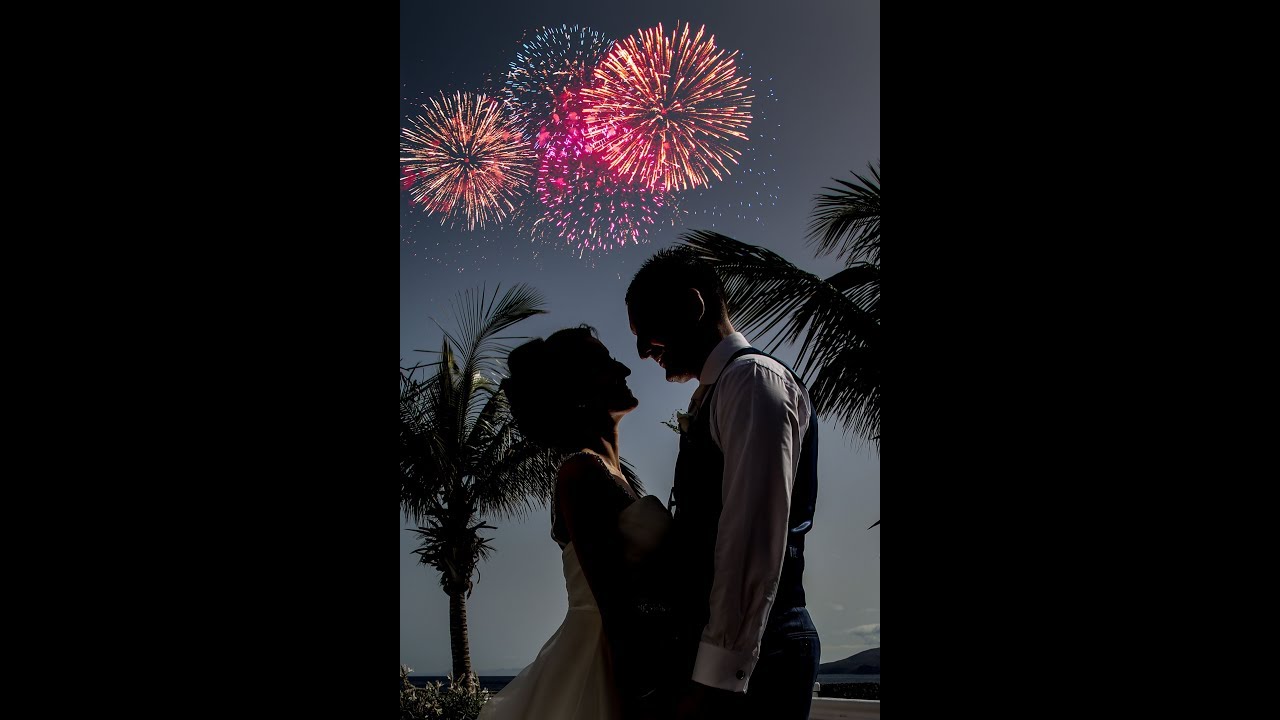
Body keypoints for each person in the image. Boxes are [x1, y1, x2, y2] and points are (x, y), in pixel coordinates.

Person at [625, 247, 821, 720]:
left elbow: (749, 536)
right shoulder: (721, 389)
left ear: (694, 306)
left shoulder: (751, 382)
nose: (641, 351)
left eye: (647, 330)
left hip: (758, 656)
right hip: (737, 651)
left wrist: (718, 677)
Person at [480, 326, 674, 720]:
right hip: (607, 661)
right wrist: (645, 694)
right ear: (578, 388)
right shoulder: (580, 473)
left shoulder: (611, 474)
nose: (624, 367)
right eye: (604, 362)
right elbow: (615, 604)